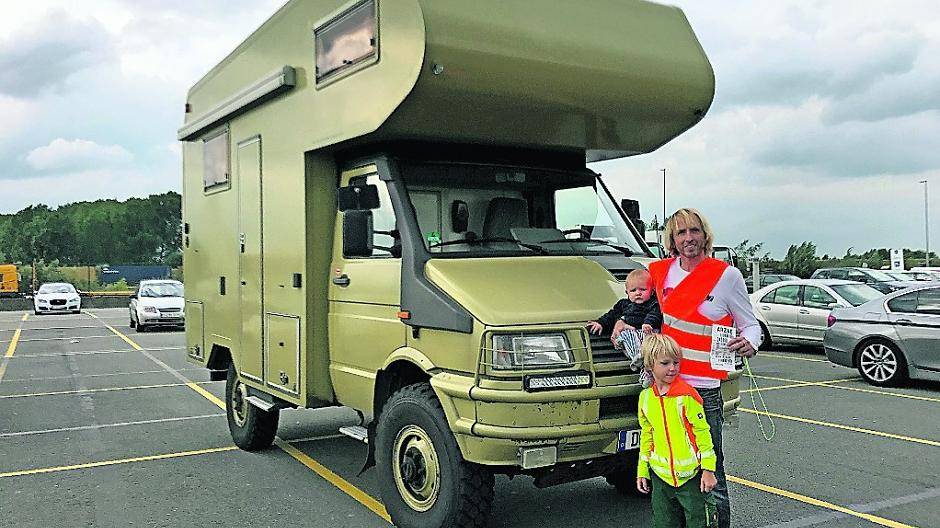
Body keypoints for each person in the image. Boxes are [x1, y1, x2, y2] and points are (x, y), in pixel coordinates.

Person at [616, 208, 759, 528]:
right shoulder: (658, 272)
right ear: (672, 239)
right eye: (681, 233)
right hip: (662, 387)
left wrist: (750, 342)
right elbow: (634, 304)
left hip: (703, 389)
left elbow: (751, 326)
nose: (688, 238)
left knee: (711, 473)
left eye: (694, 231)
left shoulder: (726, 276)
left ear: (705, 235)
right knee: (666, 473)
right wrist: (619, 322)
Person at [636, 333, 717, 528]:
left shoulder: (687, 396)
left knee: (700, 523)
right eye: (665, 363)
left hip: (692, 478)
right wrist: (642, 470)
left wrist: (708, 469)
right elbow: (647, 435)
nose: (672, 368)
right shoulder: (646, 398)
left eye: (676, 362)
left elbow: (702, 432)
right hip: (661, 479)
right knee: (663, 523)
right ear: (649, 366)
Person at [586, 269, 662, 341]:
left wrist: (648, 323)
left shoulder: (653, 304)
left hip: (646, 334)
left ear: (652, 292)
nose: (638, 293)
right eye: (633, 290)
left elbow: (654, 314)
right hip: (628, 336)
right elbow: (611, 315)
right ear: (627, 293)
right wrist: (600, 323)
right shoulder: (623, 304)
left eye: (643, 289)